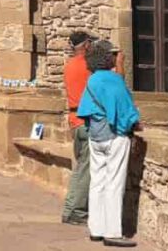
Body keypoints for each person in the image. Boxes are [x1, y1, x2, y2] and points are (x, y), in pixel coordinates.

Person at [77, 40, 141, 248]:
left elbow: (86, 108)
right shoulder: (112, 80)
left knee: (98, 182)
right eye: (114, 54)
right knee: (114, 182)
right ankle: (113, 232)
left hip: (96, 136)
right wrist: (135, 124)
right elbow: (125, 108)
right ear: (108, 57)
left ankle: (96, 228)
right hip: (114, 136)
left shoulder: (93, 79)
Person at [61, 31, 94, 226]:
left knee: (80, 168)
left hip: (75, 118)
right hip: (87, 121)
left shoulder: (69, 65)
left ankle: (70, 209)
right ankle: (77, 213)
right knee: (86, 170)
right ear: (86, 45)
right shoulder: (89, 67)